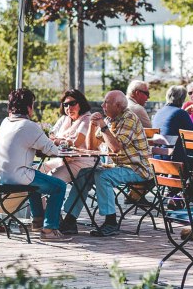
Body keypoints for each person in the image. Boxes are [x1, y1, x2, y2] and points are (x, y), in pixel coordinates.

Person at [59, 90, 152, 237]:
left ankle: (111, 222)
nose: (102, 105)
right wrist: (92, 125)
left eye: (106, 103)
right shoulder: (110, 119)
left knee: (103, 177)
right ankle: (70, 220)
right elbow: (91, 147)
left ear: (118, 105)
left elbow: (116, 147)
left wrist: (102, 126)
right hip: (118, 166)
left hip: (137, 168)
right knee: (84, 173)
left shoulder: (129, 119)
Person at [0, 88, 71, 242]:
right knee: (59, 186)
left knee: (35, 180)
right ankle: (49, 229)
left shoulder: (5, 122)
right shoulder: (28, 125)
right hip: (17, 176)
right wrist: (61, 143)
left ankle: (38, 221)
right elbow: (52, 150)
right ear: (29, 107)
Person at [151, 85, 193, 202]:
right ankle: (182, 199)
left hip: (158, 161)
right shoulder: (180, 113)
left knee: (188, 160)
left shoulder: (160, 112)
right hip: (176, 162)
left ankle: (172, 192)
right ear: (182, 99)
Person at [39, 89, 94, 183]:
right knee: (35, 172)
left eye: (72, 103)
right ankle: (40, 198)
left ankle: (51, 197)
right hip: (63, 160)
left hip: (82, 162)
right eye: (65, 105)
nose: (69, 107)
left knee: (49, 178)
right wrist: (61, 141)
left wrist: (57, 141)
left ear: (81, 103)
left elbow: (76, 143)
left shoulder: (87, 119)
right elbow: (51, 135)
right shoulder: (65, 119)